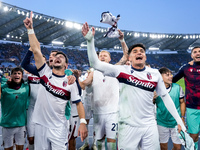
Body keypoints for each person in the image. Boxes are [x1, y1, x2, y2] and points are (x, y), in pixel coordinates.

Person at [82, 22, 186, 150]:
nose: (139, 53)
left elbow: (165, 97)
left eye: (142, 51)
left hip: (149, 126)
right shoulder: (121, 71)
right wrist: (90, 41)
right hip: (127, 126)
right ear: (129, 58)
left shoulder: (154, 74)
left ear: (145, 56)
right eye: (135, 51)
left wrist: (179, 120)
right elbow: (95, 63)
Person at [23, 12, 87, 149]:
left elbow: (78, 103)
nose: (57, 57)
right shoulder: (44, 72)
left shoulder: (70, 81)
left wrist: (83, 122)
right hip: (40, 125)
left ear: (66, 65)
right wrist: (30, 29)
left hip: (59, 128)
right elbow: (35, 50)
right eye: (56, 56)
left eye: (61, 57)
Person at [79, 30, 128, 150]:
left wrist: (122, 40)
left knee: (111, 142)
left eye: (105, 55)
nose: (102, 56)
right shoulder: (93, 72)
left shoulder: (116, 70)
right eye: (100, 55)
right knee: (99, 142)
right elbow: (85, 84)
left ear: (110, 59)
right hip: (98, 112)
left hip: (112, 112)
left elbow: (126, 55)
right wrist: (77, 79)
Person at [173, 46, 200, 150]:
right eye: (195, 52)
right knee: (193, 136)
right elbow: (173, 80)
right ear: (192, 55)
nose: (198, 53)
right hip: (192, 107)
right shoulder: (186, 68)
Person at [154, 67, 185, 150]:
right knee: (163, 146)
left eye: (171, 74)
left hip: (176, 122)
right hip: (161, 122)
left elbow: (182, 102)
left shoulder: (177, 87)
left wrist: (182, 118)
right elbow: (150, 106)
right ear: (160, 77)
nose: (171, 76)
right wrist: (152, 99)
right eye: (167, 75)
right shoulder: (155, 89)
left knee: (178, 147)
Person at [0, 67, 29, 150]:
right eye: (15, 73)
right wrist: (3, 81)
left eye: (19, 73)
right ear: (11, 75)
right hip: (7, 124)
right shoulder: (4, 88)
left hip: (21, 125)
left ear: (22, 76)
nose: (17, 75)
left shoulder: (26, 87)